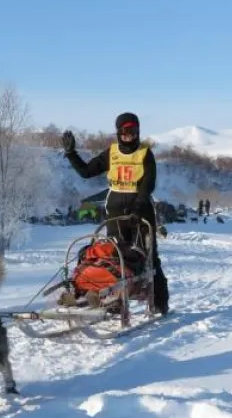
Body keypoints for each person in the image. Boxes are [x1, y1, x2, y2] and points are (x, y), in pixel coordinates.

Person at [61, 112, 169, 315]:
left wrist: (137, 210)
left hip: (141, 210)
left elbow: (148, 186)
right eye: (124, 131)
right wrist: (71, 153)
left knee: (149, 258)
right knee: (114, 256)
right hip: (116, 210)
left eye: (132, 131)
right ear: (118, 133)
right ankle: (114, 301)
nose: (128, 135)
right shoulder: (111, 153)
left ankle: (160, 302)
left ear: (138, 132)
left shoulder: (145, 154)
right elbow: (86, 172)